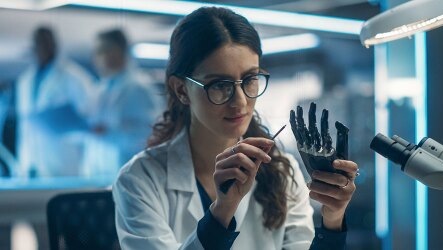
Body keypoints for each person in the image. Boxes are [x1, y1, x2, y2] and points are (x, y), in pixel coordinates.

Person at [112, 7, 358, 249]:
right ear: (181, 90)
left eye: (250, 80)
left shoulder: (282, 171)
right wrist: (222, 211)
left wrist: (333, 220)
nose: (240, 101)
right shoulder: (139, 180)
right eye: (220, 85)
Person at [15, 26, 95, 177]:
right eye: (38, 44)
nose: (42, 48)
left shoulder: (74, 77)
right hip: (31, 160)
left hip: (63, 158)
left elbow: (90, 118)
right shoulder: (24, 81)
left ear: (55, 45)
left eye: (46, 43)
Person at [89, 28, 160, 168]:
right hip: (99, 173)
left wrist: (109, 134)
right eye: (97, 52)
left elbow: (150, 136)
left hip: (127, 171)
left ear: (119, 51)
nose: (98, 57)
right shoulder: (101, 89)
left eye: (103, 50)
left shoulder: (139, 87)